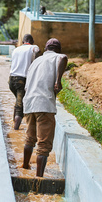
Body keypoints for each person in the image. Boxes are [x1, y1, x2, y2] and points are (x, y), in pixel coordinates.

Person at [22, 38, 67, 177]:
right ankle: (39, 178)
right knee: (43, 145)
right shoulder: (58, 57)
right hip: (44, 105)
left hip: (29, 103)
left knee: (30, 138)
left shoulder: (35, 61)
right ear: (57, 49)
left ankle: (25, 166)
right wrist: (58, 81)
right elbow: (64, 58)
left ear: (46, 49)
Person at [9, 34, 40, 130]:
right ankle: (16, 129)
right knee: (20, 106)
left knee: (18, 101)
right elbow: (37, 51)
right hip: (22, 80)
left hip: (11, 79)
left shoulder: (16, 49)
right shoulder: (33, 47)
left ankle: (14, 122)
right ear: (32, 41)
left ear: (23, 42)